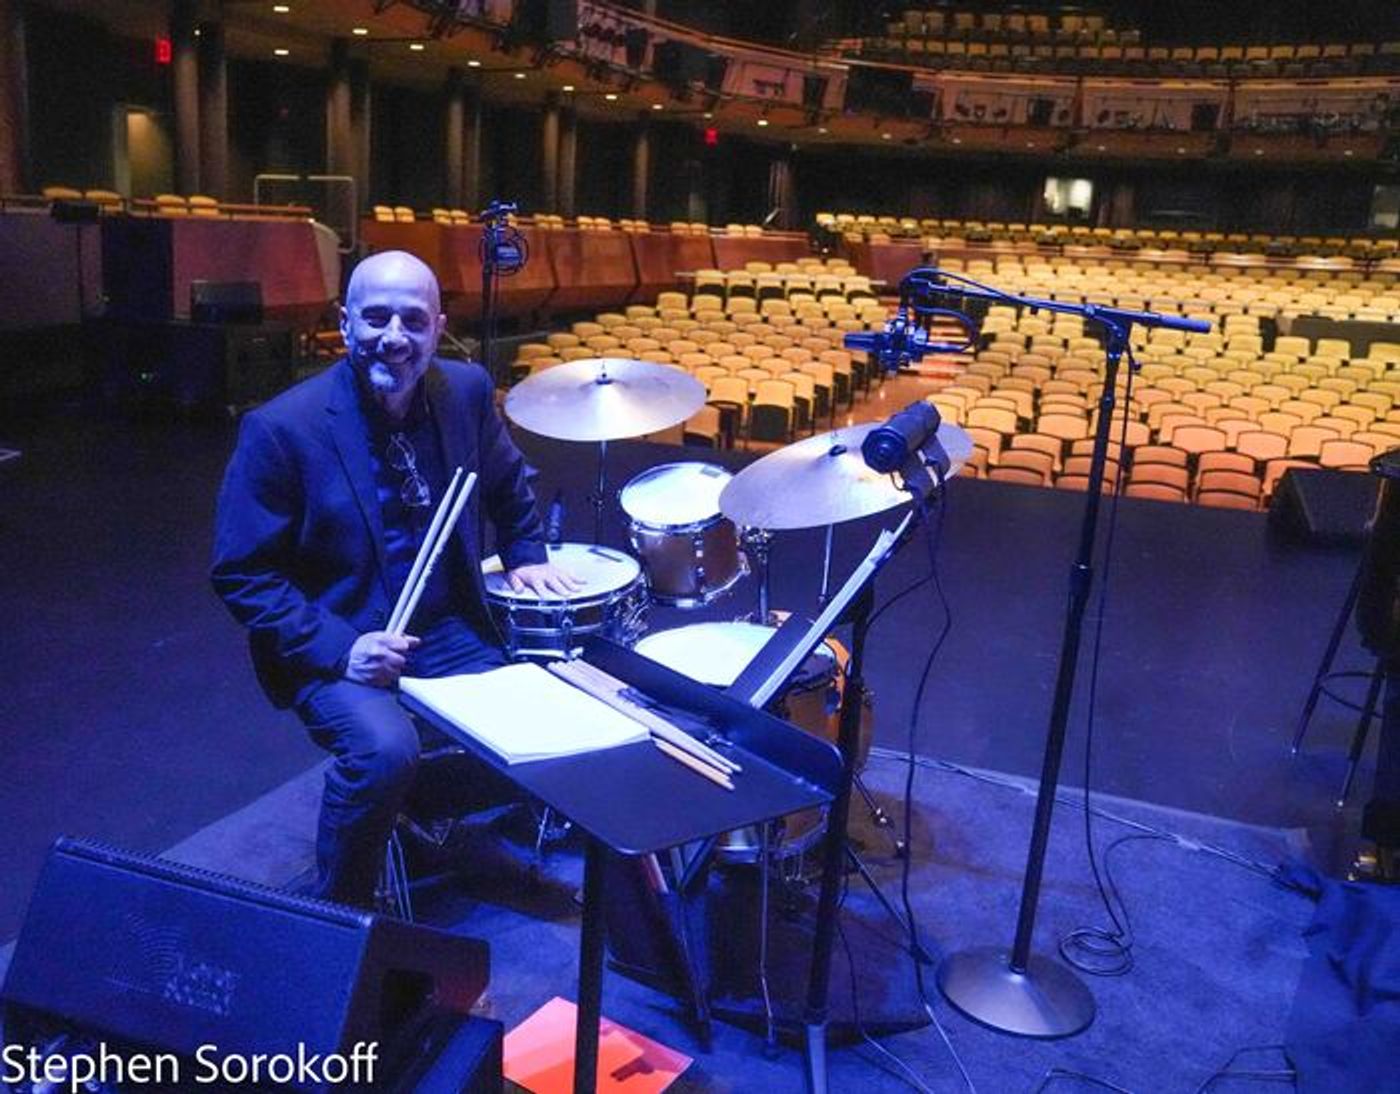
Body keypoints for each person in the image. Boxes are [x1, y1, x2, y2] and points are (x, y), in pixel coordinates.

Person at [211, 250, 578, 907]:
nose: (393, 337)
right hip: (338, 638)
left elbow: (504, 480)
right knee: (384, 752)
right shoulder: (281, 430)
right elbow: (243, 572)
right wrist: (340, 649)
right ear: (344, 323)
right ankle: (340, 917)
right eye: (375, 317)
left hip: (446, 627)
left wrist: (527, 552)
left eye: (412, 320)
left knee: (552, 726)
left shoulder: (463, 391)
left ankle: (406, 812)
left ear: (438, 327)